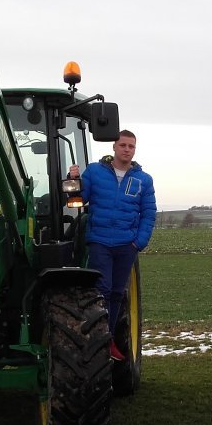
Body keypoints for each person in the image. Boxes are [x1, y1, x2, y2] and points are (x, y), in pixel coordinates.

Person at [68, 130, 156, 361]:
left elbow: (148, 214)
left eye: (131, 146)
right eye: (123, 145)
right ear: (114, 147)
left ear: (134, 150)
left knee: (117, 293)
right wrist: (73, 179)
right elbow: (79, 199)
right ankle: (99, 340)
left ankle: (107, 339)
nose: (127, 149)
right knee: (102, 290)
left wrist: (138, 242)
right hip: (100, 241)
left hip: (127, 244)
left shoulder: (143, 180)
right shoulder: (95, 172)